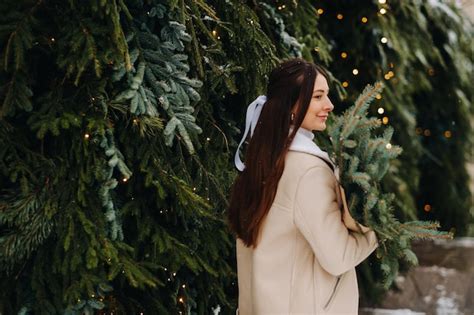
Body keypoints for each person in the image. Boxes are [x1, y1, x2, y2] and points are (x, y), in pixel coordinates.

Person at [227, 57, 379, 314]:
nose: (329, 105)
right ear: (292, 105)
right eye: (318, 96)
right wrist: (377, 231)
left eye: (327, 95)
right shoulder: (309, 172)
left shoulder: (262, 162)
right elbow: (338, 256)